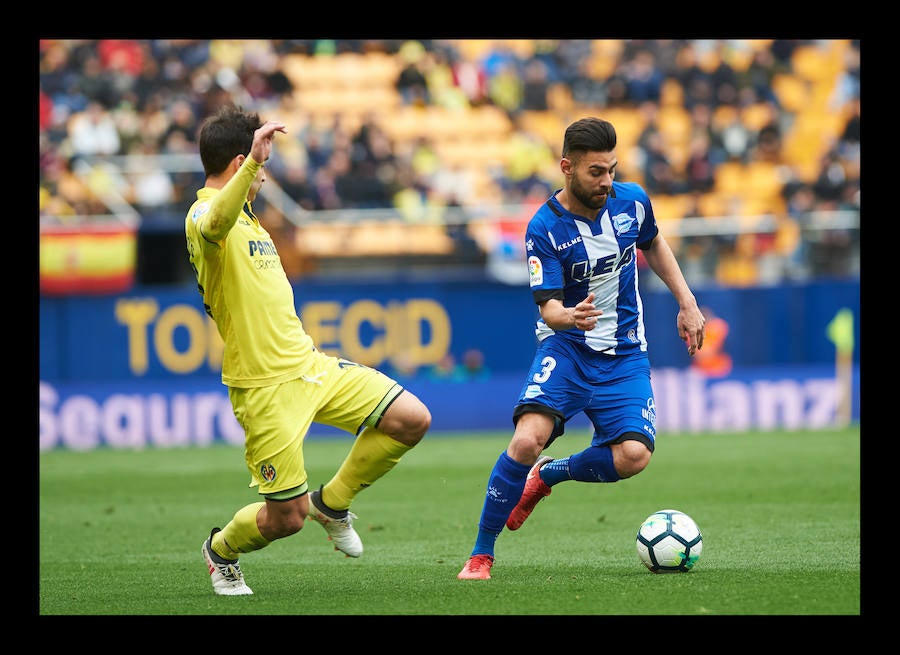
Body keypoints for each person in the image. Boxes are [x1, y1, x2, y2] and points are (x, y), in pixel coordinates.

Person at [186, 104, 431, 595]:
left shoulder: (254, 222)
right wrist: (256, 162)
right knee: (285, 519)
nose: (263, 176)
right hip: (264, 388)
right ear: (240, 164)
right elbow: (215, 221)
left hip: (310, 366)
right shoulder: (203, 217)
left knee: (410, 418)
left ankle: (333, 503)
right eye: (259, 167)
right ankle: (221, 551)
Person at [457, 117, 706, 580]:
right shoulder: (544, 227)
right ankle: (481, 554)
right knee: (526, 438)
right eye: (596, 172)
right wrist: (567, 317)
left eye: (612, 169)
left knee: (634, 456)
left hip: (625, 352)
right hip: (567, 347)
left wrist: (687, 303)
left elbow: (654, 243)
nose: (606, 181)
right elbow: (548, 307)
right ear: (567, 168)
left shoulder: (632, 202)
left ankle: (549, 475)